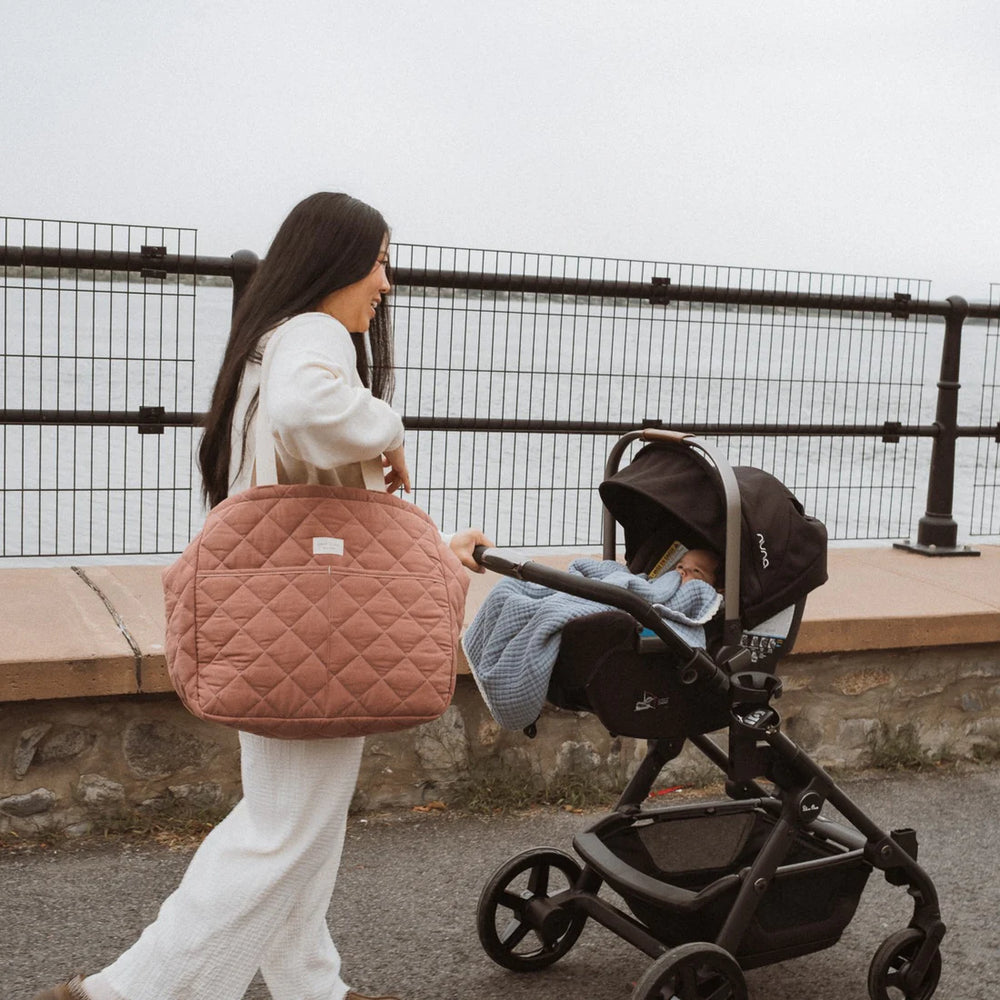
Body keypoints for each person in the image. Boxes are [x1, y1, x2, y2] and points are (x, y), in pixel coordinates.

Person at [35, 192, 492, 1000]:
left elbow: (323, 507)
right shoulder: (315, 335)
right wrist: (388, 428)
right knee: (282, 830)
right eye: (379, 261)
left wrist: (433, 546)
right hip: (317, 626)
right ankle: (127, 991)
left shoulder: (268, 342)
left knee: (298, 824)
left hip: (280, 616)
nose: (386, 283)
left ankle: (311, 986)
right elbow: (308, 412)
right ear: (336, 262)